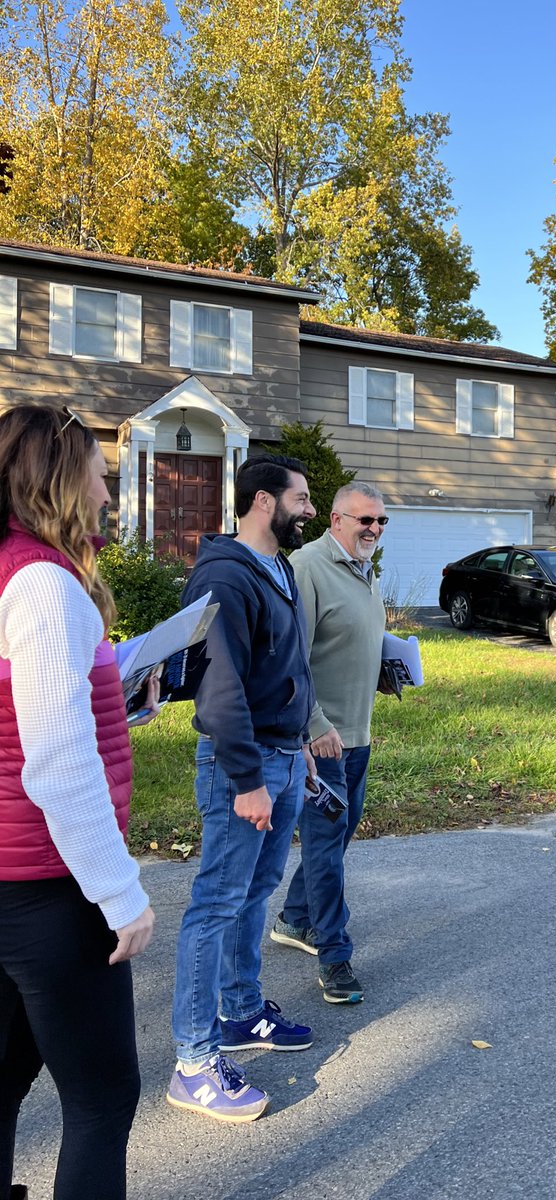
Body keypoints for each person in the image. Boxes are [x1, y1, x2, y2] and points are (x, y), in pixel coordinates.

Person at [0, 403, 156, 1200]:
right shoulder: (43, 587)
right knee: (102, 1100)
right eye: (101, 473)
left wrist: (117, 700)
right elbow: (56, 762)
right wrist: (120, 893)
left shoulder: (8, 569)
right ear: (63, 479)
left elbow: (23, 713)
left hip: (8, 883)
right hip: (48, 888)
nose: (108, 492)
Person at [166, 454, 318, 1124]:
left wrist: (302, 745)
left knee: (256, 894)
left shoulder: (276, 566)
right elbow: (218, 684)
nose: (309, 510)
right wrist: (247, 778)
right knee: (215, 906)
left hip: (283, 755)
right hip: (245, 764)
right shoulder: (225, 575)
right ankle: (193, 1064)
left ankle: (240, 1011)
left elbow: (285, 665)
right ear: (264, 501)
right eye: (303, 498)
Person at [271, 482, 387, 1004]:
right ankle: (335, 959)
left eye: (382, 522)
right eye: (365, 521)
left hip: (357, 734)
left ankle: (296, 919)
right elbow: (289, 658)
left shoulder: (364, 570)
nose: (374, 530)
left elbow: (350, 641)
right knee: (326, 849)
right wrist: (314, 724)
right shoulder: (308, 567)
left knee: (335, 840)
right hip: (323, 740)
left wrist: (386, 668)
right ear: (336, 519)